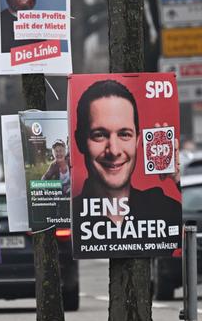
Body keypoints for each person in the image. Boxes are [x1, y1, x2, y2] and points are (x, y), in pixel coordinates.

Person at [73, 80, 180, 245]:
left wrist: (178, 180)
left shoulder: (164, 209)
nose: (114, 151)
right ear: (80, 141)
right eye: (100, 135)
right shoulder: (70, 217)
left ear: (137, 140)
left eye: (124, 134)